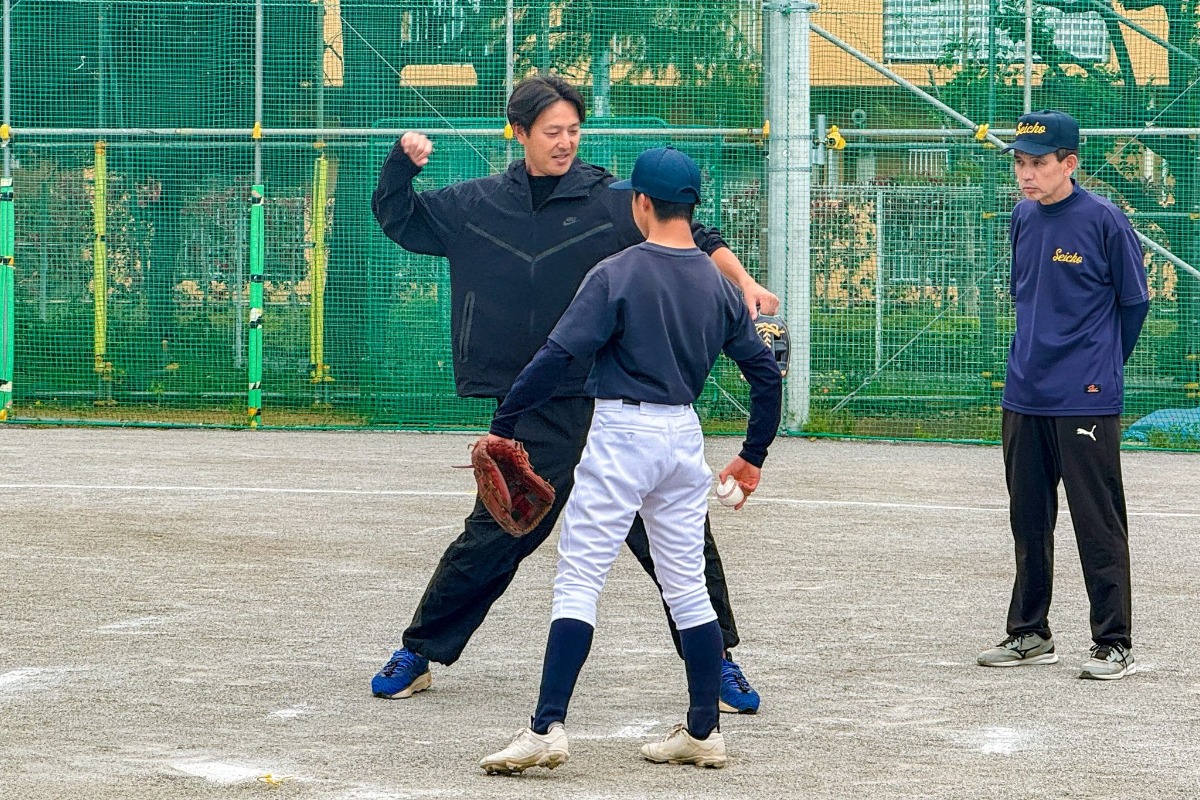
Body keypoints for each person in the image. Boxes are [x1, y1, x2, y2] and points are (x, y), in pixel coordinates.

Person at [370, 74, 779, 711]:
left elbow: (696, 238)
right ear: (520, 133)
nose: (566, 142)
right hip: (538, 405)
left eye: (573, 130)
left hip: (614, 400)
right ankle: (419, 651)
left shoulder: (612, 200)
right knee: (496, 532)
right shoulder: (478, 204)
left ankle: (719, 660)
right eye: (553, 131)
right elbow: (403, 219)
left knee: (679, 538)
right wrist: (400, 167)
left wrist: (746, 286)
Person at [478, 146, 782, 774]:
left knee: (580, 578)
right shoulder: (718, 284)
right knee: (687, 586)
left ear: (641, 204)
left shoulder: (617, 272)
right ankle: (702, 731)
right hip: (681, 439)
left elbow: (557, 358)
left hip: (621, 434)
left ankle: (545, 729)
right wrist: (752, 455)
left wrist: (504, 422)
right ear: (693, 207)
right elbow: (766, 377)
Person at [977, 110, 1149, 680]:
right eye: (1021, 164)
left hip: (1085, 396)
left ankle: (1112, 641)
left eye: (1039, 163)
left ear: (1069, 164)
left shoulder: (1105, 220)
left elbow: (1134, 302)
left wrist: (1099, 368)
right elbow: (1025, 295)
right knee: (1028, 519)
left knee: (1097, 522)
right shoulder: (1022, 217)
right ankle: (1029, 633)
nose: (1027, 175)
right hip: (1024, 393)